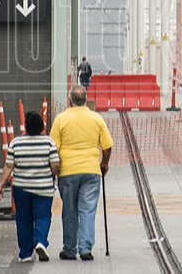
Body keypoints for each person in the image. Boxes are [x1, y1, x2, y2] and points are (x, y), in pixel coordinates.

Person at [49, 85, 113, 261]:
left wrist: (52, 172)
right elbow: (107, 146)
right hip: (91, 171)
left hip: (67, 171)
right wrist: (104, 163)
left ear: (70, 101)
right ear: (86, 100)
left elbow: (53, 149)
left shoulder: (61, 119)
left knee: (69, 211)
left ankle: (69, 250)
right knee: (87, 210)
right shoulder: (96, 119)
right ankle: (85, 249)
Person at [0, 111, 59, 263]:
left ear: (26, 126)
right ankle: (40, 242)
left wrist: (1, 184)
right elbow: (55, 163)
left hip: (21, 188)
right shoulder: (49, 142)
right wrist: (52, 175)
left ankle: (25, 253)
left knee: (23, 219)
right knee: (43, 216)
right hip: (44, 188)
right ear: (42, 126)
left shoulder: (16, 143)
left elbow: (9, 166)